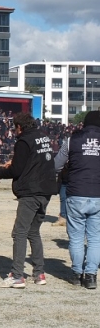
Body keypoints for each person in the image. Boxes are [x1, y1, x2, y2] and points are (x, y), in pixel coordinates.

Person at [0, 112, 57, 288]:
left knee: (19, 232)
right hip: (46, 191)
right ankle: (39, 274)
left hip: (31, 192)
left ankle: (17, 275)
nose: (14, 131)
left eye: (15, 127)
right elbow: (32, 162)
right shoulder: (43, 137)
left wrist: (0, 172)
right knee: (33, 232)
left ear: (19, 127)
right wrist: (12, 163)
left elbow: (17, 170)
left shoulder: (23, 141)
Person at [54, 111, 100, 289]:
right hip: (97, 193)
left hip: (76, 193)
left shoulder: (71, 140)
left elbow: (57, 165)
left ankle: (76, 273)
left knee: (76, 238)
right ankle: (91, 276)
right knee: (95, 239)